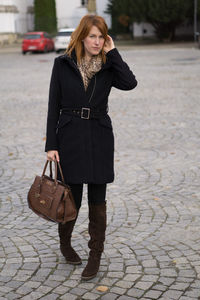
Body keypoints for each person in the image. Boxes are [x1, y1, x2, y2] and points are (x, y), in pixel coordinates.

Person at [45, 14, 137, 280]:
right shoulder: (62, 64)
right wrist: (51, 143)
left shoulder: (109, 65)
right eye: (92, 36)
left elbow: (130, 83)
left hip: (99, 134)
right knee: (70, 197)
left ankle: (95, 255)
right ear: (82, 37)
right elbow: (53, 104)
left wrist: (114, 51)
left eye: (101, 36)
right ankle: (65, 242)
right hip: (70, 135)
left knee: (98, 200)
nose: (96, 42)